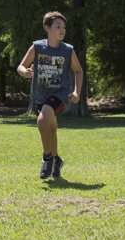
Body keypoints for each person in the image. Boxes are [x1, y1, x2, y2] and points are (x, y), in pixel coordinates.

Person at [16, 11, 84, 179]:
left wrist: (76, 92)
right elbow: (21, 66)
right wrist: (25, 72)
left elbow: (78, 71)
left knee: (42, 120)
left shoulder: (68, 50)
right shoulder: (37, 47)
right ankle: (56, 160)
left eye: (64, 27)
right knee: (51, 129)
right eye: (58, 26)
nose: (62, 30)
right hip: (41, 94)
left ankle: (47, 159)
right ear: (47, 28)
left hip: (60, 93)